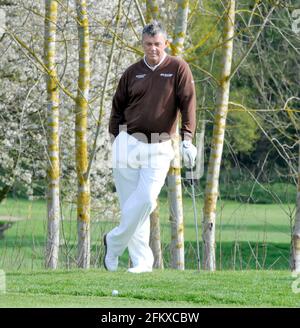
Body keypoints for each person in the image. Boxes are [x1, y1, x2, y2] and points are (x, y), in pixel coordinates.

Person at [104, 21, 197, 273]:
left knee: (145, 199)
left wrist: (188, 139)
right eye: (148, 44)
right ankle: (142, 262)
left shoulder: (178, 68)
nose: (153, 49)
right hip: (128, 142)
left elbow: (188, 103)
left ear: (165, 43)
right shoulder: (133, 72)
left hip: (159, 144)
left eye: (157, 44)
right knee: (131, 205)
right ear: (142, 44)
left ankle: (113, 241)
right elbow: (117, 106)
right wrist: (116, 139)